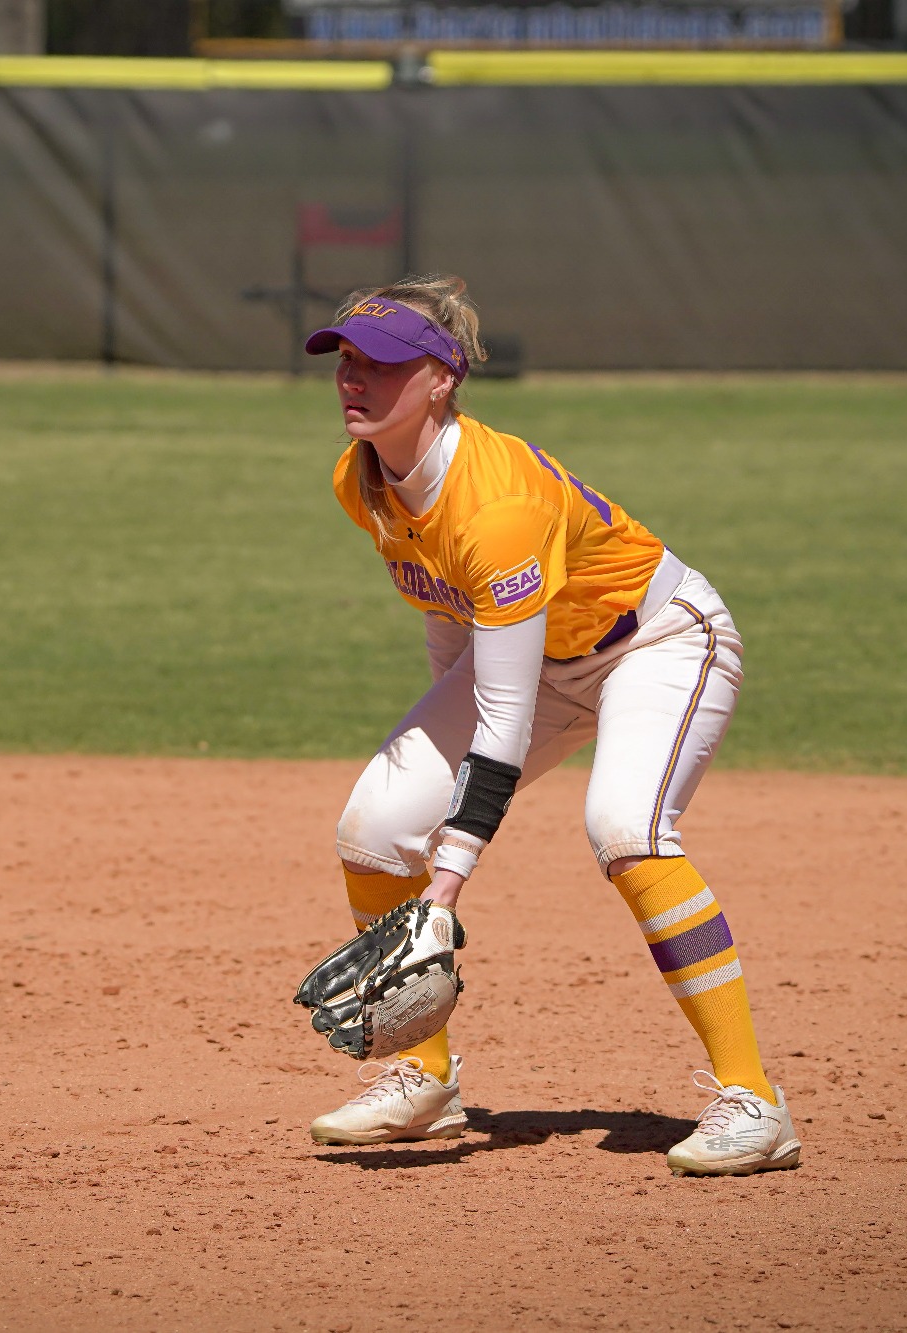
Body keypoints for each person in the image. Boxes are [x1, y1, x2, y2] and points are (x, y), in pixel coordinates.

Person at [301, 276, 800, 1178]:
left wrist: (444, 890)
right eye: (345, 360)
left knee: (626, 829)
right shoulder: (361, 478)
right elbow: (446, 612)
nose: (354, 380)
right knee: (374, 830)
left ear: (441, 380)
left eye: (381, 364)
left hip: (657, 642)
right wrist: (432, 783)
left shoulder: (499, 507)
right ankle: (424, 1078)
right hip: (532, 662)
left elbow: (504, 708)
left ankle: (754, 1101)